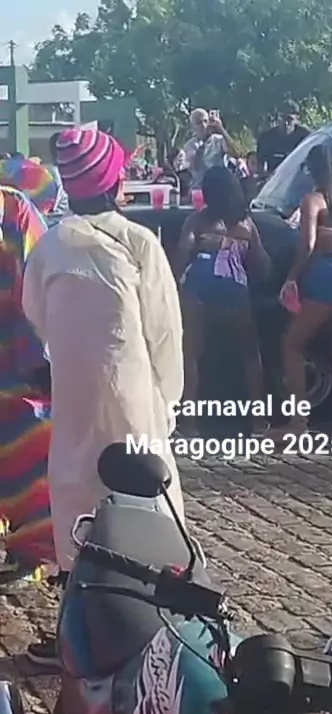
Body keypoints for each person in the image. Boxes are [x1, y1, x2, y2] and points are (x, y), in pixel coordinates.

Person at [22, 126, 184, 664]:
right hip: (134, 402)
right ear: (116, 183)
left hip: (74, 402)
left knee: (77, 505)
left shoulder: (50, 247)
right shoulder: (139, 243)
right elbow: (165, 333)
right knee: (146, 503)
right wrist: (167, 401)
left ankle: (77, 638)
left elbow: (37, 317)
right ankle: (154, 628)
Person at [277, 145, 332, 438]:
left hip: (327, 274)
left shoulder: (312, 200)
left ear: (311, 169)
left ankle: (298, 422)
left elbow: (308, 244)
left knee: (292, 344)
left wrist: (291, 278)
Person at [175, 166, 271, 435]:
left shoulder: (197, 221)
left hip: (200, 283)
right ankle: (258, 421)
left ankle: (189, 423)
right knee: (250, 354)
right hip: (234, 285)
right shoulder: (246, 225)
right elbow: (262, 265)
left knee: (192, 354)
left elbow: (182, 256)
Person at [0, 185, 55, 579]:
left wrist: (41, 361)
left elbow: (37, 288)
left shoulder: (14, 212)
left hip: (19, 366)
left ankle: (32, 550)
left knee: (32, 443)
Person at [176, 109, 239, 190]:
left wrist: (221, 129)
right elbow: (183, 168)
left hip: (218, 187)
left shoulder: (218, 140)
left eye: (205, 121)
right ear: (192, 127)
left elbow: (235, 153)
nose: (203, 125)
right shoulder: (188, 146)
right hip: (198, 189)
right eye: (199, 122)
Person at [257, 102, 309, 177]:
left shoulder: (306, 138)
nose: (286, 123)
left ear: (297, 119)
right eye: (282, 118)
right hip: (274, 179)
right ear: (277, 118)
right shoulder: (266, 138)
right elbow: (260, 167)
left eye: (289, 119)